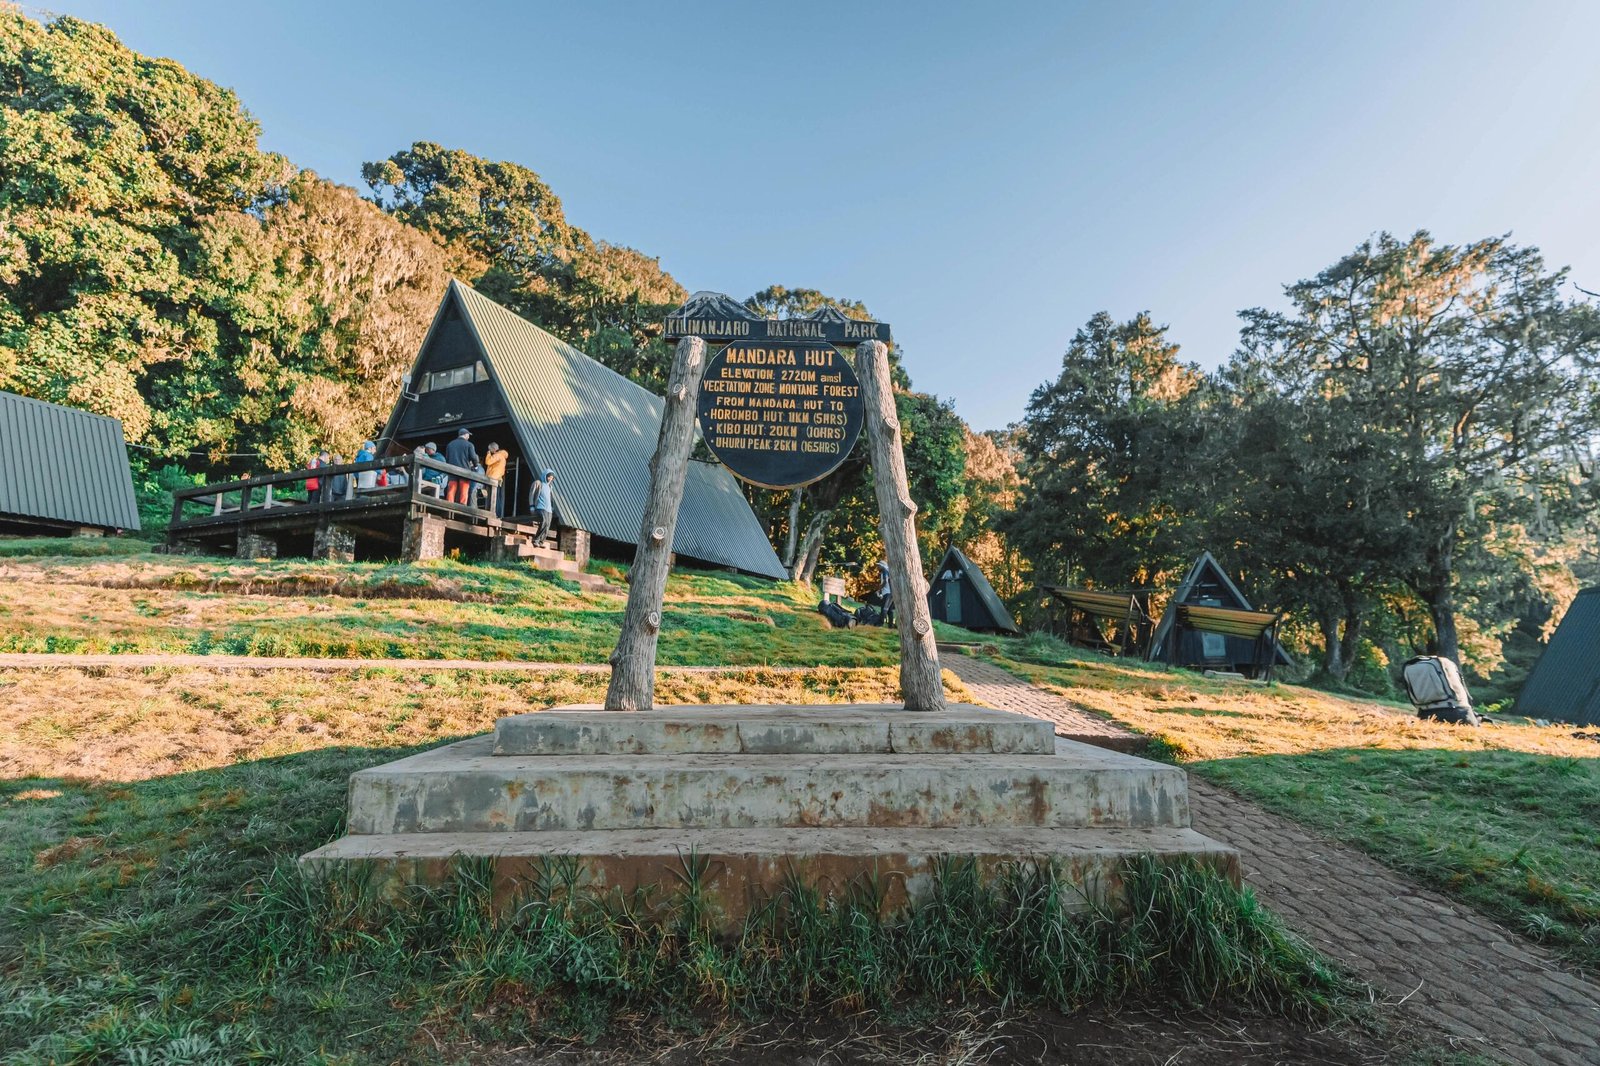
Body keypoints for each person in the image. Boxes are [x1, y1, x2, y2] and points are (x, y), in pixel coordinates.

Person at [444, 428, 479, 505]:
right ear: (465, 435)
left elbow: (447, 458)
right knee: (464, 489)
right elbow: (473, 457)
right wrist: (476, 466)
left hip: (452, 470)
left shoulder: (450, 444)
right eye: (468, 435)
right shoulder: (469, 444)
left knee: (451, 489)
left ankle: (449, 504)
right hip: (464, 471)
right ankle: (463, 505)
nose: (469, 437)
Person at [482, 442, 508, 518]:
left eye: (490, 449)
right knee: (497, 497)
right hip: (498, 478)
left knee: (493, 498)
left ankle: (493, 513)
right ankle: (497, 514)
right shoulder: (502, 456)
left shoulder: (497, 455)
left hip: (493, 479)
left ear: (493, 449)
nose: (489, 451)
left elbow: (488, 462)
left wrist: (488, 454)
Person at [530, 468, 555, 546]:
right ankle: (536, 539)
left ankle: (541, 542)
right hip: (540, 507)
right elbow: (531, 494)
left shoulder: (550, 487)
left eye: (552, 478)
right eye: (549, 477)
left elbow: (551, 498)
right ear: (545, 476)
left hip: (549, 509)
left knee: (547, 525)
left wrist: (552, 507)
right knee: (544, 521)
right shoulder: (538, 483)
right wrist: (532, 506)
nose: (550, 479)